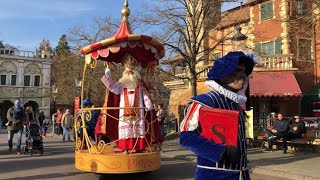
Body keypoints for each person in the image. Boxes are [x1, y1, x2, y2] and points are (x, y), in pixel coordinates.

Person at [180, 51, 255, 180]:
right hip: (214, 175)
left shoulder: (236, 105)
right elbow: (186, 137)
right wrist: (221, 151)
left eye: (244, 72)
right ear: (223, 74)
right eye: (238, 70)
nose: (243, 75)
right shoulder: (204, 102)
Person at [100, 53, 153, 153]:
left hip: (138, 109)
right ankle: (126, 148)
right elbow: (112, 88)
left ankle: (138, 147)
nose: (130, 74)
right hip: (124, 110)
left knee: (138, 128)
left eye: (131, 73)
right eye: (128, 72)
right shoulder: (122, 83)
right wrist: (108, 76)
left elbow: (144, 94)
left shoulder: (139, 84)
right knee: (127, 128)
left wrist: (148, 103)